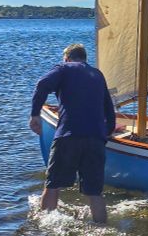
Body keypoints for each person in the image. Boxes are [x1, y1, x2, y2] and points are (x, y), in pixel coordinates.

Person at [29, 43, 116, 223]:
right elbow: (109, 110)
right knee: (95, 192)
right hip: (96, 139)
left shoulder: (64, 68)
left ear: (67, 58)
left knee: (52, 185)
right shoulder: (98, 75)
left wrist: (35, 114)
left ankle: (44, 228)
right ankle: (101, 228)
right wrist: (104, 134)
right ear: (85, 58)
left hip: (68, 136)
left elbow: (42, 84)